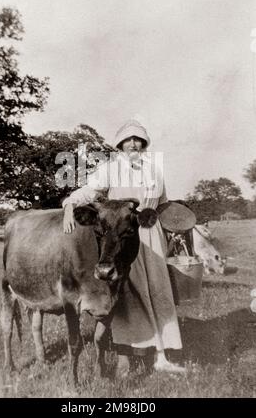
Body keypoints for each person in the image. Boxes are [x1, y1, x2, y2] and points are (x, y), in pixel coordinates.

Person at [62, 119, 185, 377]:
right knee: (128, 296)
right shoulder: (110, 168)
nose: (133, 144)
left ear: (144, 144)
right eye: (128, 140)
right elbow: (90, 191)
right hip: (122, 241)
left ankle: (161, 352)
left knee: (157, 291)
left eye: (138, 140)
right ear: (120, 144)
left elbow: (162, 205)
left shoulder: (154, 171)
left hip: (152, 237)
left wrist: (179, 227)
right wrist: (69, 204)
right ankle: (125, 355)